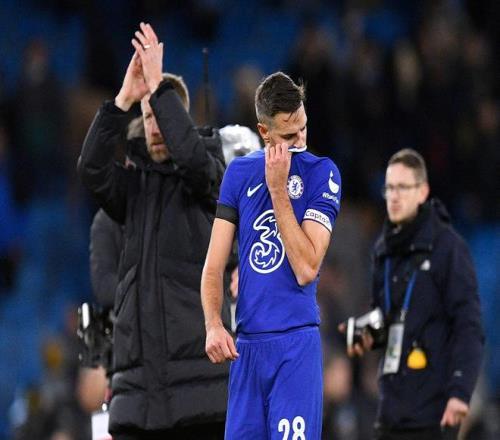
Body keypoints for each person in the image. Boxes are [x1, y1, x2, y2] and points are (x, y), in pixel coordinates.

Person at [77, 22, 230, 439]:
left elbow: (194, 163)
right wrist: (123, 100)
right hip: (138, 397)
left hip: (199, 395)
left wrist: (159, 89)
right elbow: (91, 170)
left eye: (163, 116)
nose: (156, 127)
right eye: (147, 117)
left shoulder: (211, 175)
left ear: (181, 120)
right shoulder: (133, 189)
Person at [201, 71, 342, 439]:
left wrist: (279, 192)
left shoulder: (322, 174)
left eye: (303, 128)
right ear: (264, 132)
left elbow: (307, 268)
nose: (300, 140)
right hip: (247, 350)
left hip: (295, 348)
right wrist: (213, 324)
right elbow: (213, 265)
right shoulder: (238, 174)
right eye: (289, 136)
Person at [342, 148, 484, 440]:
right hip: (392, 409)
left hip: (435, 409)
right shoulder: (384, 249)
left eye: (403, 188)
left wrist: (460, 391)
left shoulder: (448, 248)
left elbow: (468, 325)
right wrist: (364, 332)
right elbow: (391, 319)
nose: (394, 197)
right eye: (389, 188)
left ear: (422, 192)